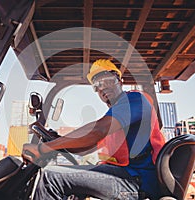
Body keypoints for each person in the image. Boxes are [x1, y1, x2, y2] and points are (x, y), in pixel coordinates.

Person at [22, 59, 165, 200]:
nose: (103, 88)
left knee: (51, 178)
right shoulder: (115, 117)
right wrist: (57, 141)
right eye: (97, 85)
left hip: (137, 182)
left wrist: (44, 148)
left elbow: (97, 130)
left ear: (120, 82)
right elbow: (85, 147)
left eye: (108, 80)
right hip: (125, 176)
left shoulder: (134, 100)